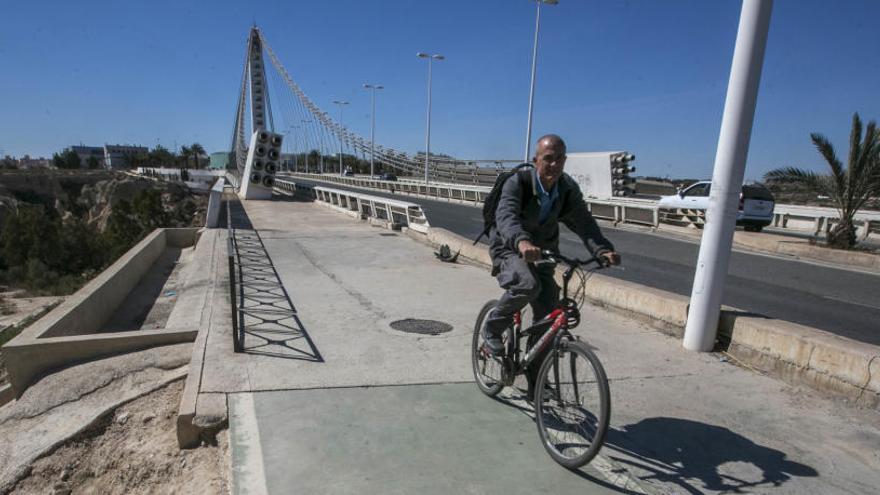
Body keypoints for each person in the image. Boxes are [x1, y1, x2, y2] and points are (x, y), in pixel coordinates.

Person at [483, 134, 621, 393]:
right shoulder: (519, 183)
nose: (554, 165)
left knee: (548, 312)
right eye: (548, 159)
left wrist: (602, 249)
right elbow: (506, 216)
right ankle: (492, 328)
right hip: (509, 246)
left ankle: (536, 380)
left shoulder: (567, 189)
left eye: (559, 159)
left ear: (565, 160)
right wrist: (522, 242)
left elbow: (584, 222)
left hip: (544, 250)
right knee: (528, 283)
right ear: (536, 160)